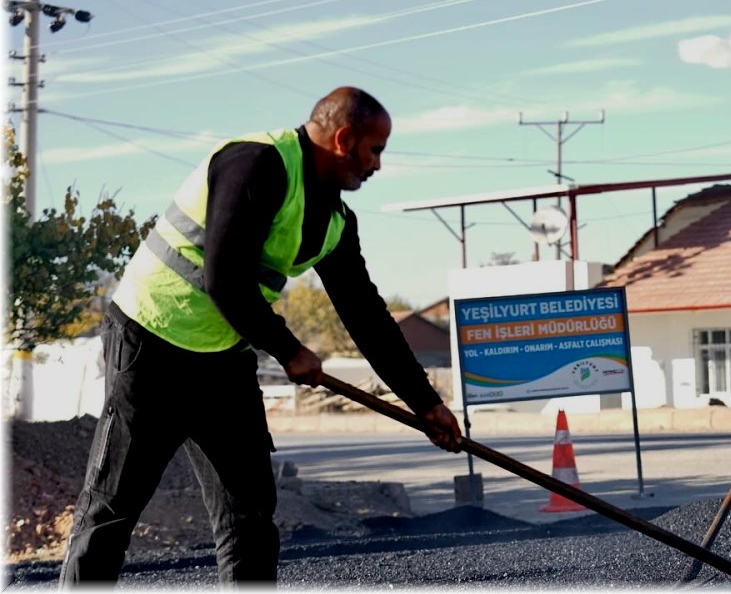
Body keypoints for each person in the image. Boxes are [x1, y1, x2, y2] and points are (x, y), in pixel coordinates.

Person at [59, 86, 463, 587]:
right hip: (151, 344)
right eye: (375, 150)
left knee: (248, 517)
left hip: (223, 356)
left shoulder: (335, 221)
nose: (377, 165)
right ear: (343, 138)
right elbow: (223, 278)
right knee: (113, 509)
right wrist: (291, 350)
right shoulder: (255, 163)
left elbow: (367, 318)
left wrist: (425, 403)